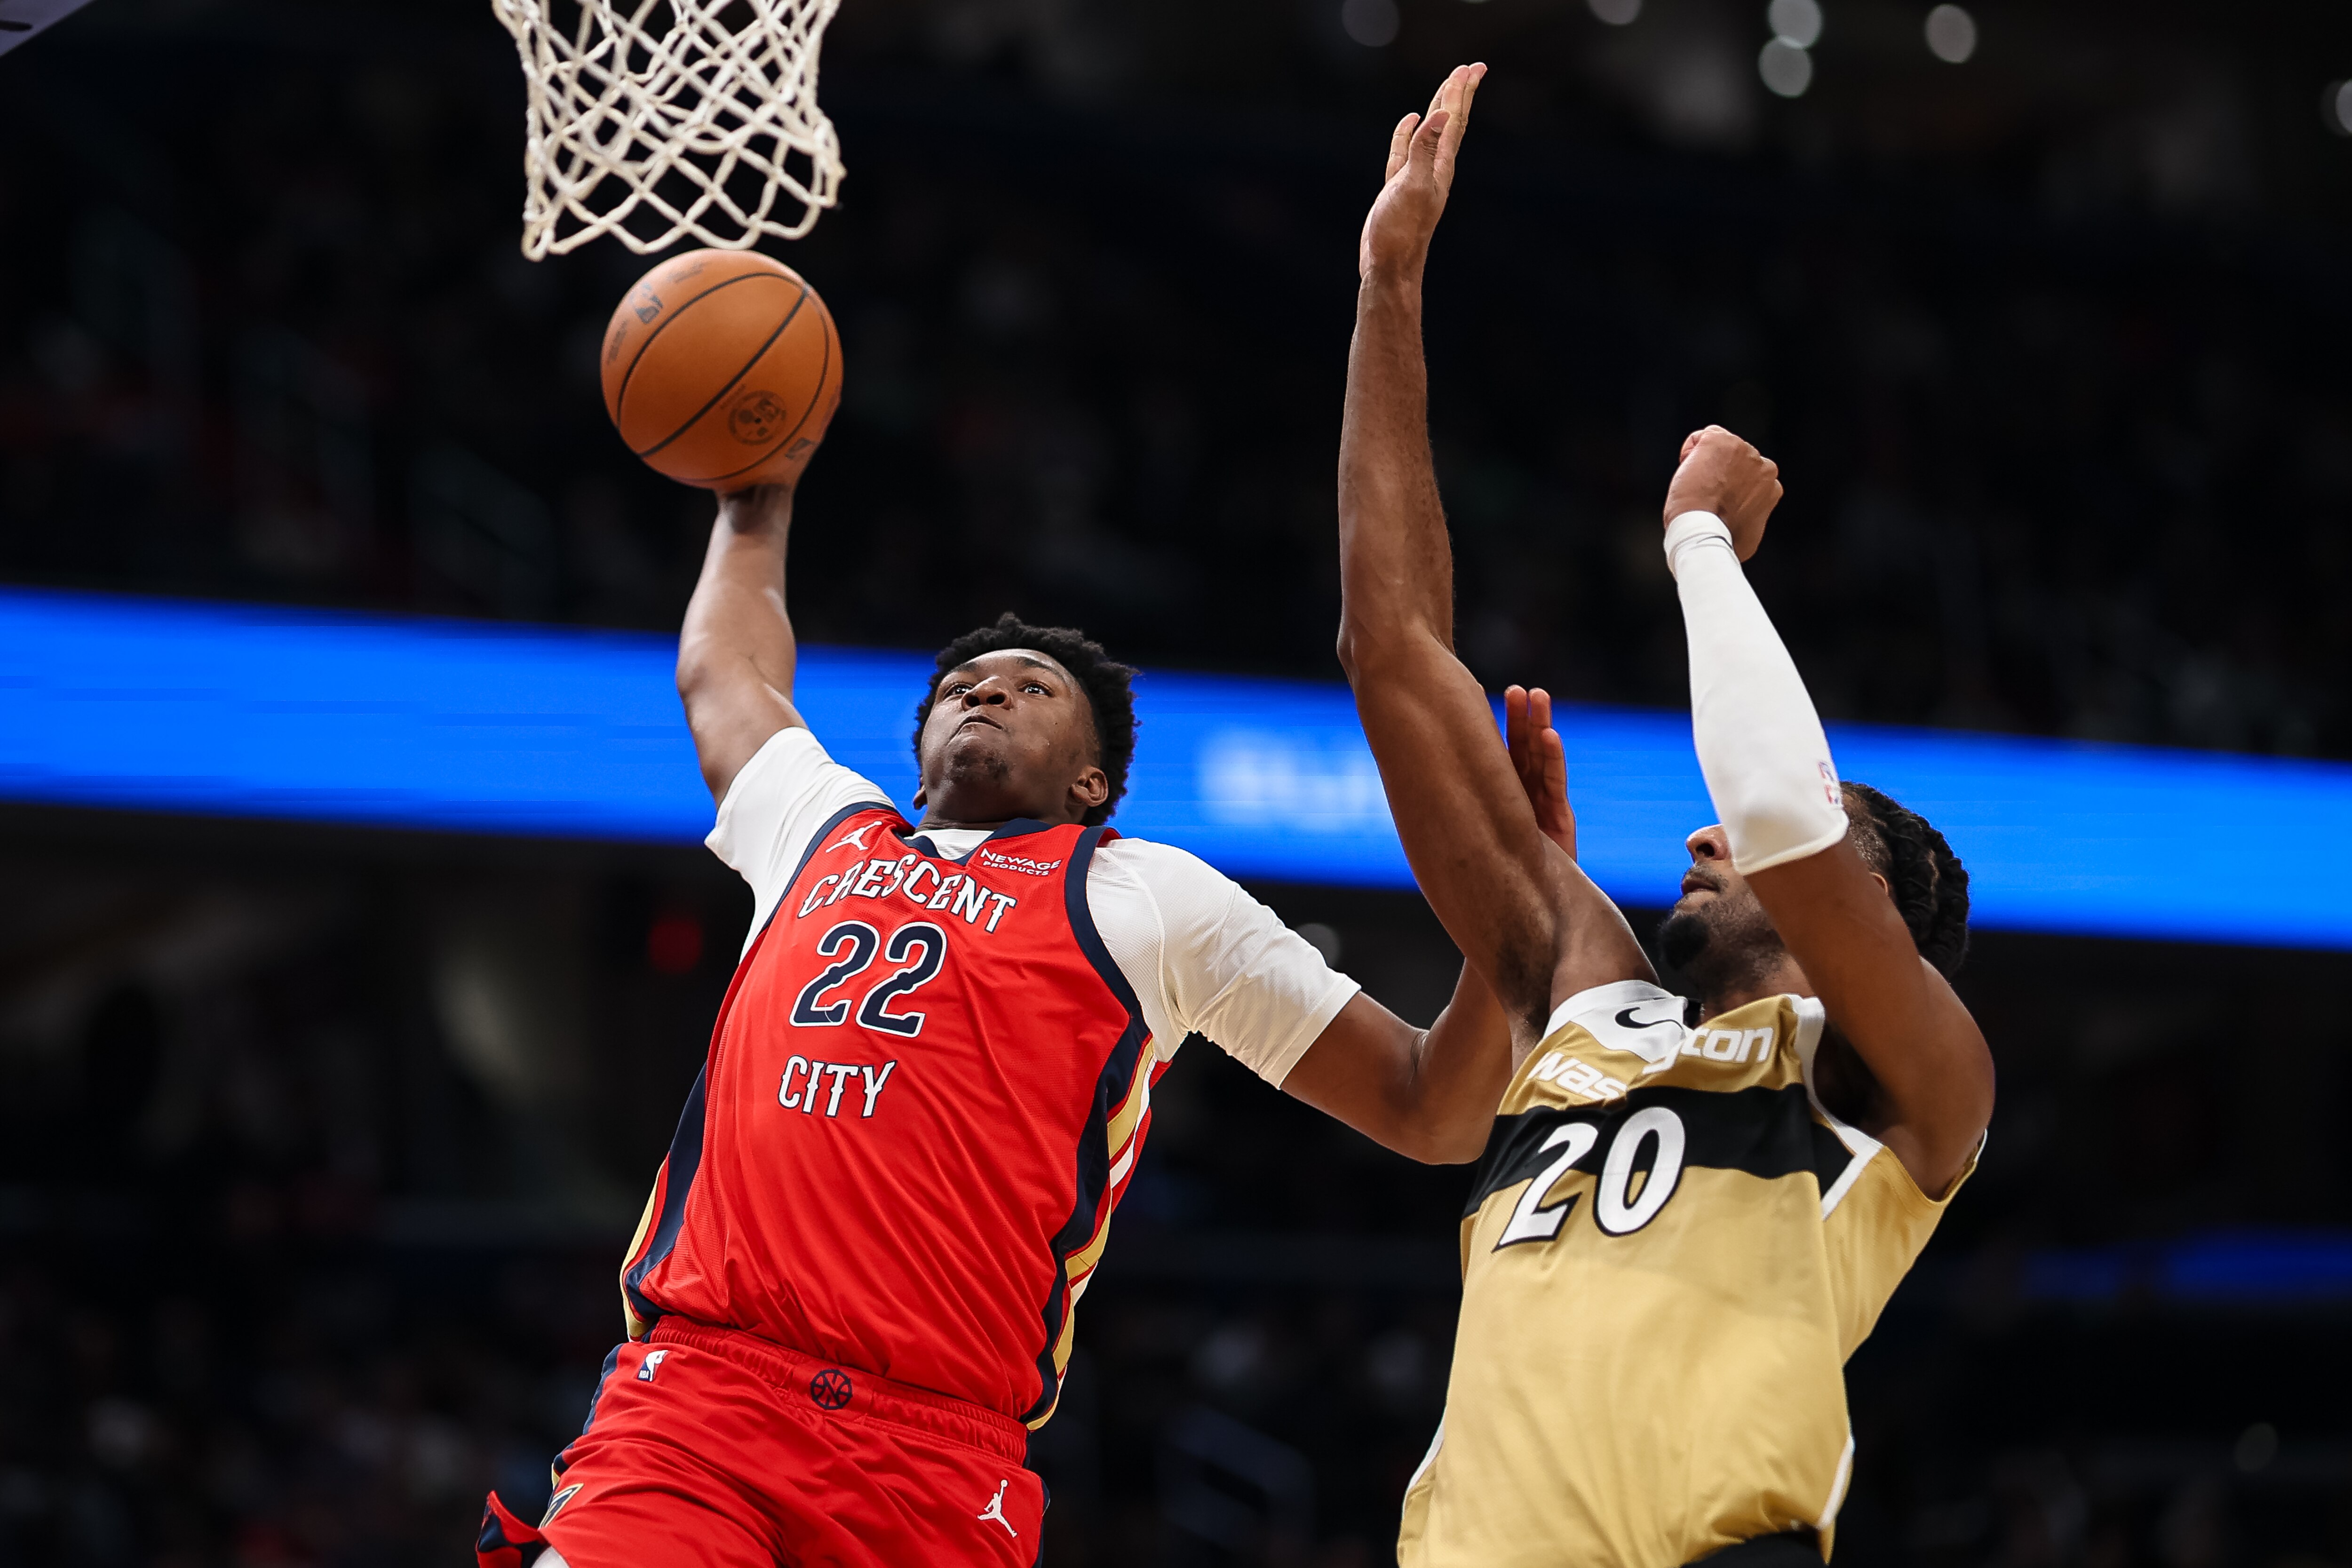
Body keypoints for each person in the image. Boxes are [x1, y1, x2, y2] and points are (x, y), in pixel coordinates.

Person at [476, 472, 1520, 1568]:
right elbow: (725, 673)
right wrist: (755, 502)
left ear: (1091, 780)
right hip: (700, 1400)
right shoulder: (821, 826)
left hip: (930, 1456)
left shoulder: (1153, 896)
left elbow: (1428, 1104)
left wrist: (1511, 896)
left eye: (1030, 688)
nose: (985, 694)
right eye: (962, 686)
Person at [1335, 65, 1996, 1567]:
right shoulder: (1587, 997)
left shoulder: (1911, 1089)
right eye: (1709, 831)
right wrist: (1388, 282)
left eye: (1770, 847)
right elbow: (1391, 647)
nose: (1704, 837)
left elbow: (1775, 809)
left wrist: (1700, 540)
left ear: (1874, 910)